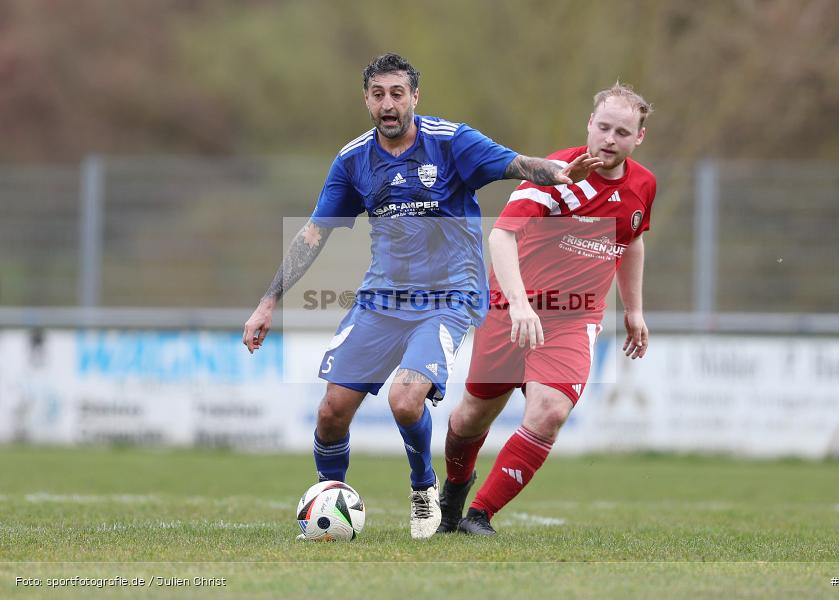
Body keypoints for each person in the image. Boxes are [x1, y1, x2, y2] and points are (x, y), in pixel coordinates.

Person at [242, 53, 603, 540]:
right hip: (382, 299)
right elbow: (313, 234)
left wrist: (555, 174)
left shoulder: (452, 142)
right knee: (330, 413)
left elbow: (516, 163)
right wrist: (268, 302)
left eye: (397, 93)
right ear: (366, 99)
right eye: (378, 94)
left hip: (450, 297)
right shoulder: (353, 160)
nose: (388, 104)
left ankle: (422, 487)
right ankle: (330, 507)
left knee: (406, 398)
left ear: (415, 97)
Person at [436, 82, 656, 535]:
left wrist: (633, 309)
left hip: (574, 318)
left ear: (639, 138)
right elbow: (501, 235)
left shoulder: (643, 185)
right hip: (511, 310)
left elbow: (632, 240)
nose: (609, 139)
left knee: (550, 410)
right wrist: (518, 305)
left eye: (621, 131)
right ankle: (454, 496)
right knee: (470, 417)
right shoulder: (557, 174)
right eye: (603, 127)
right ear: (589, 126)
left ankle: (479, 516)